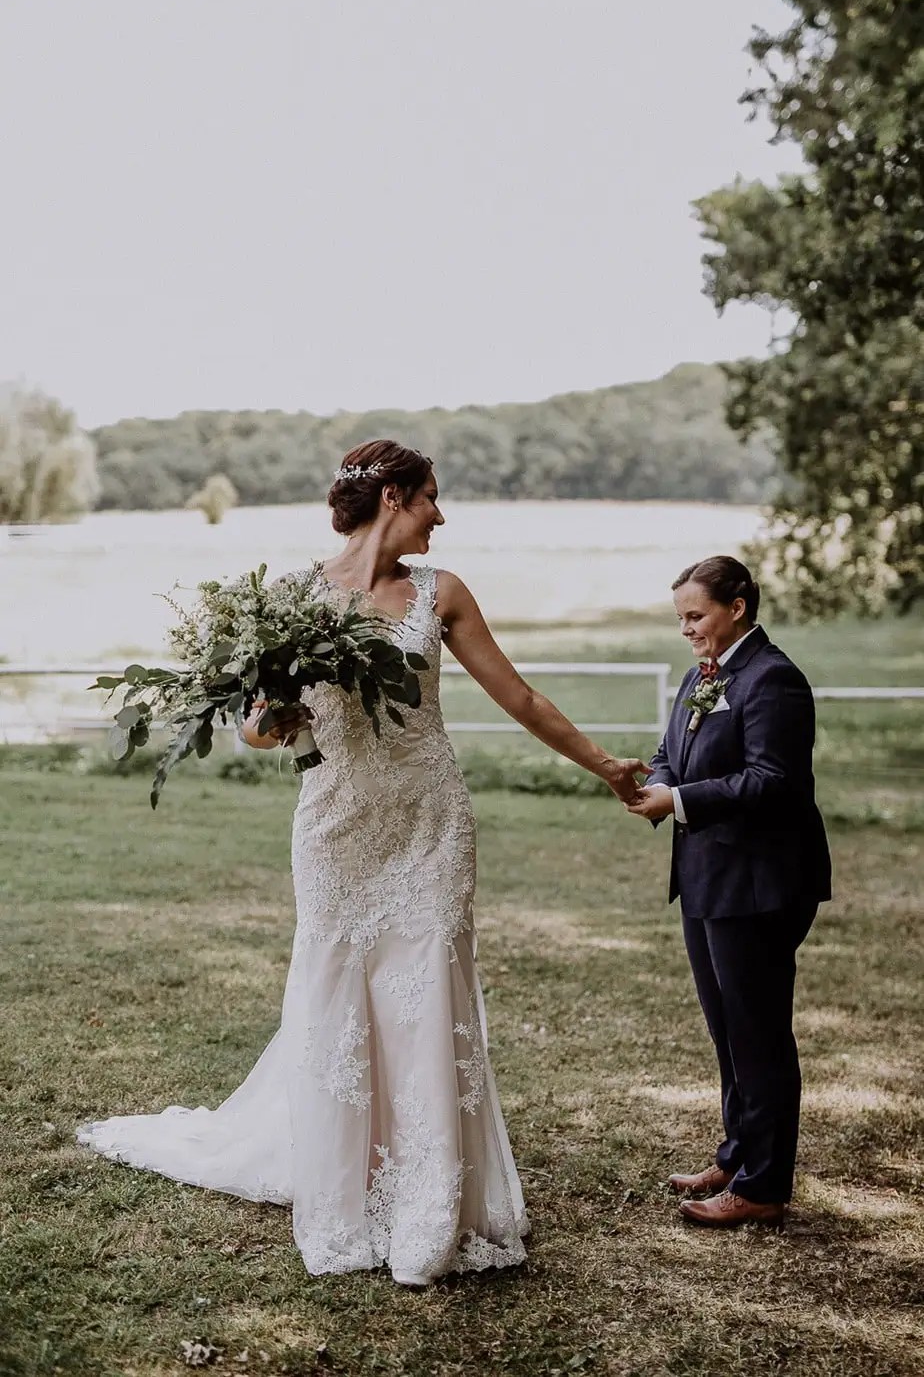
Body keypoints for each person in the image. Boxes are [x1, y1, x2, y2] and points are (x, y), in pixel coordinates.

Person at [78, 439, 651, 1285]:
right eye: (431, 499)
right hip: (337, 823)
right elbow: (259, 730)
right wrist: (272, 704)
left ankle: (432, 1199)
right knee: (340, 993)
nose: (440, 516)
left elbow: (520, 696)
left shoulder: (441, 593)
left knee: (429, 990)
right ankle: (345, 1188)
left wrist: (605, 767)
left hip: (429, 820)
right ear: (393, 496)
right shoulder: (291, 600)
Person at [625, 556, 831, 1229]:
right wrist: (657, 782)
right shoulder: (702, 674)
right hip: (707, 879)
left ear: (737, 606)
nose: (686, 630)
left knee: (759, 1035)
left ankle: (764, 1185)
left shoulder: (773, 680)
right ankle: (737, 1156)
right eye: (680, 618)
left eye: (696, 616)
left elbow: (773, 780)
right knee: (729, 1033)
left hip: (760, 884)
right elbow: (668, 753)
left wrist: (678, 800)